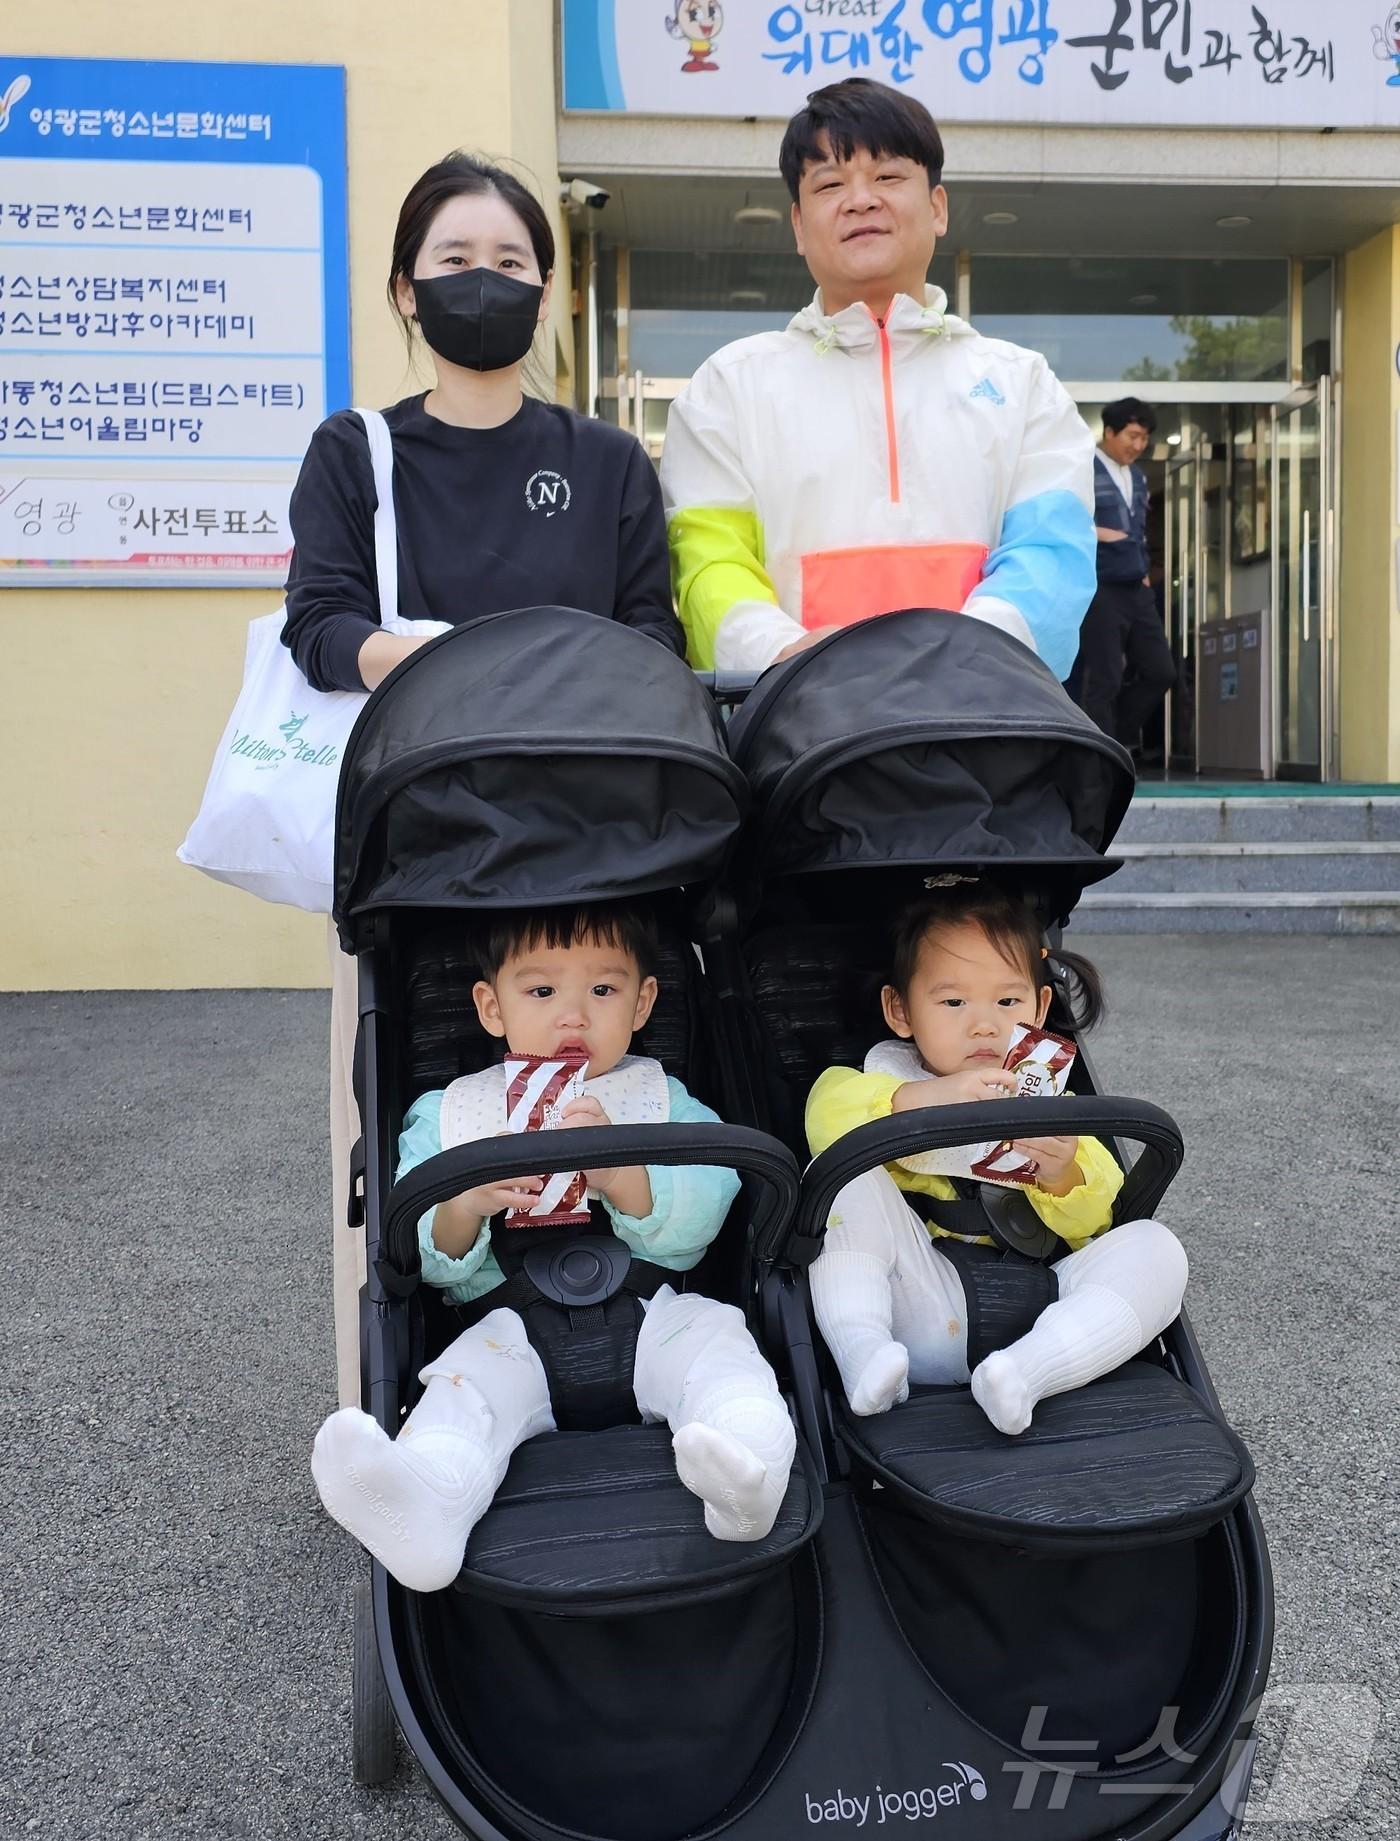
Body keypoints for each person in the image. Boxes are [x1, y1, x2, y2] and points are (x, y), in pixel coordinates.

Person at [280, 153, 683, 1409]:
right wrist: (466, 664)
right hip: (424, 832)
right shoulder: (356, 454)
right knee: (412, 1093)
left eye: (511, 264)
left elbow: (651, 634)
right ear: (407, 290)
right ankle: (405, 1378)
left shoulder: (606, 460)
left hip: (590, 831)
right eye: (455, 262)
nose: (483, 284)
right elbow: (320, 624)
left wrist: (525, 673)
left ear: (545, 293)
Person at [311, 903, 796, 1592]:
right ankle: (431, 1502)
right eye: (541, 992)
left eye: (603, 990)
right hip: (508, 1330)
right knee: (462, 1389)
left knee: (721, 1345)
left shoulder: (663, 1097)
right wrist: (466, 1200)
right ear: (491, 1005)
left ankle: (747, 1467)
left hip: (654, 1312)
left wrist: (622, 1174)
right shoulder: (452, 1111)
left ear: (643, 1001)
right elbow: (420, 1254)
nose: (574, 1016)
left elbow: (711, 1203)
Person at [661, 78, 1096, 679]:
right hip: (795, 738)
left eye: (888, 177)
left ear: (938, 208)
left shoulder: (1023, 384)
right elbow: (709, 563)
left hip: (984, 727)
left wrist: (962, 662)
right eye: (830, 184)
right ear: (797, 224)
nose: (861, 200)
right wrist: (787, 661)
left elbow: (1053, 555)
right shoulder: (729, 388)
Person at [804, 884, 1188, 1436]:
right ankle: (862, 1347)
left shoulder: (1056, 1104)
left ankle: (1025, 1376)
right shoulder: (877, 1084)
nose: (983, 1024)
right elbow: (826, 1116)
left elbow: (1101, 1221)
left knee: (1155, 1247)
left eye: (1007, 1002)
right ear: (900, 1010)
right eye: (953, 1002)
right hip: (917, 1307)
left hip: (1040, 1309)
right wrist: (919, 1101)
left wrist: (1063, 1173)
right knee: (837, 1175)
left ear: (1040, 1007)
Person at [1070, 397, 1176, 749]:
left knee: (1161, 671)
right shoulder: (1081, 467)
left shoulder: (1139, 477)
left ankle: (1114, 739)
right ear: (1110, 432)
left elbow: (1139, 529)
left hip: (1135, 585)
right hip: (1099, 586)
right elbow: (1061, 520)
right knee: (1105, 679)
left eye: (1143, 438)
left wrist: (1145, 571)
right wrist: (1097, 532)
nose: (1138, 445)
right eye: (1132, 436)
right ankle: (1098, 763)